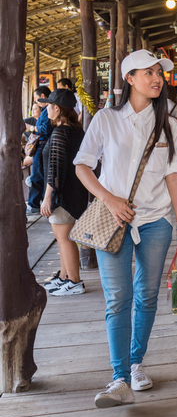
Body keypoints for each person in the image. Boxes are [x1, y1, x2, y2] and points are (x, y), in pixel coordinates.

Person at [74, 49, 177, 408]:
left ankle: (136, 363)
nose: (157, 79)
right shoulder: (106, 119)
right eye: (149, 72)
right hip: (113, 221)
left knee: (148, 296)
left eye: (160, 73)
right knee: (117, 300)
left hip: (157, 222)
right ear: (129, 78)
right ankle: (119, 378)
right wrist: (109, 199)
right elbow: (82, 166)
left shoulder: (170, 123)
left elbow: (174, 175)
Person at [39, 89, 89, 296]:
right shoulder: (77, 130)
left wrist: (47, 196)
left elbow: (55, 168)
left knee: (64, 238)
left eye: (48, 106)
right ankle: (64, 277)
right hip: (74, 192)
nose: (46, 110)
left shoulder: (60, 132)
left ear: (57, 108)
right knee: (64, 238)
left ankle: (74, 281)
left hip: (62, 195)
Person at [27, 86, 54, 214]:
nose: (36, 101)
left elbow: (45, 129)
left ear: (42, 96)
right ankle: (39, 203)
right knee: (40, 175)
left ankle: (34, 205)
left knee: (37, 176)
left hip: (43, 144)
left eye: (37, 98)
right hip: (42, 145)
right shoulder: (45, 110)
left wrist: (31, 128)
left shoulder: (48, 109)